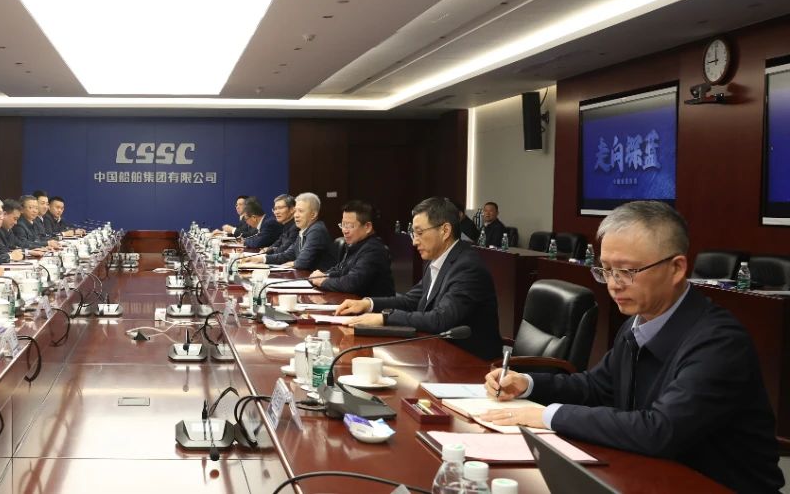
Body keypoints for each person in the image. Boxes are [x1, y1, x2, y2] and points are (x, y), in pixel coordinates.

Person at [479, 201, 782, 492]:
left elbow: (660, 430)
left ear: (676, 268)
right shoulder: (638, 323)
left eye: (627, 271)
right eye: (606, 269)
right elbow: (597, 387)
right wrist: (528, 384)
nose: (613, 283)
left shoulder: (719, 342)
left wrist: (548, 416)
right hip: (649, 476)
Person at [333, 197, 501, 360]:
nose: (414, 242)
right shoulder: (437, 260)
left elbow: (440, 319)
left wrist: (384, 318)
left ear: (445, 231)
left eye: (420, 233)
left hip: (471, 364)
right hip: (437, 354)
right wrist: (368, 304)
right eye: (414, 234)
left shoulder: (467, 267)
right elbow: (410, 301)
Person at [310, 201, 394, 297]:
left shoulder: (374, 250)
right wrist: (324, 274)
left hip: (372, 305)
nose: (344, 231)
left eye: (350, 226)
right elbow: (341, 270)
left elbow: (351, 283)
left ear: (367, 227)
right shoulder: (356, 244)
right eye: (343, 225)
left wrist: (322, 282)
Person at [243, 193, 335, 271]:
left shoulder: (316, 230)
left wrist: (293, 263)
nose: (296, 215)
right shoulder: (304, 229)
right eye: (296, 211)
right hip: (306, 277)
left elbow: (302, 262)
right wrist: (261, 259)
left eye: (300, 211)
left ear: (313, 215)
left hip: (318, 283)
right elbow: (289, 254)